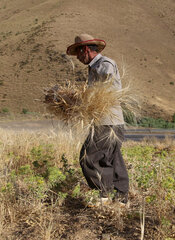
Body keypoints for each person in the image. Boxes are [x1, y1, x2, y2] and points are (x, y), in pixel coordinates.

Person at [66, 34, 129, 204]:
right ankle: (121, 198)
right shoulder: (95, 67)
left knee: (88, 157)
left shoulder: (104, 64)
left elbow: (106, 77)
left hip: (107, 121)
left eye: (79, 54)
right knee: (112, 158)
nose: (78, 58)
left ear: (85, 50)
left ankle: (105, 195)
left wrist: (84, 96)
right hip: (110, 121)